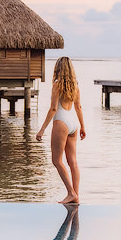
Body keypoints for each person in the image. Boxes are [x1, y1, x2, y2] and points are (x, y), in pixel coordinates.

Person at [36, 56, 86, 204]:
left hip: (61, 122)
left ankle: (71, 193)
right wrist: (83, 126)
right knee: (73, 162)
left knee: (56, 160)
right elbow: (78, 107)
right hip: (73, 124)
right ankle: (76, 196)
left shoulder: (57, 84)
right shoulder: (75, 85)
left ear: (58, 68)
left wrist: (42, 129)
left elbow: (53, 109)